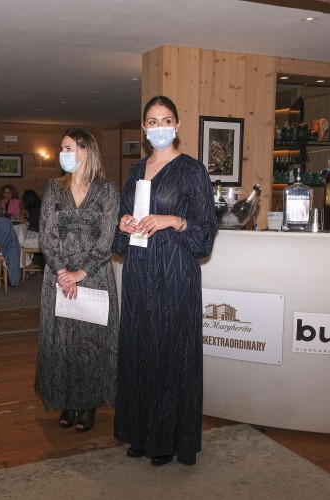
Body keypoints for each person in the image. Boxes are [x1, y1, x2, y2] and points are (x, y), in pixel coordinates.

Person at [112, 96, 218, 466]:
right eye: (153, 122)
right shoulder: (135, 170)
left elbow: (205, 231)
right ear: (144, 128)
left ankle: (169, 440)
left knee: (171, 353)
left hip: (175, 273)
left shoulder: (192, 170)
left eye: (166, 120)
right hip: (139, 270)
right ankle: (141, 433)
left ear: (177, 125)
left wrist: (172, 220)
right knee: (139, 350)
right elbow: (122, 222)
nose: (160, 127)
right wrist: (124, 223)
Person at [35, 128, 119, 432]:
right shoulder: (53, 188)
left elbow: (108, 238)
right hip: (58, 278)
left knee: (92, 342)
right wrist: (62, 272)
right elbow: (46, 235)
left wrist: (81, 273)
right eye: (62, 148)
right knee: (62, 341)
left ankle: (89, 404)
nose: (63, 153)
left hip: (95, 276)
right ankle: (67, 401)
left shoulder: (107, 190)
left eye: (68, 148)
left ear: (86, 151)